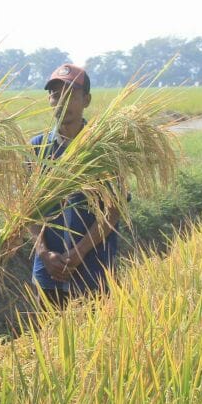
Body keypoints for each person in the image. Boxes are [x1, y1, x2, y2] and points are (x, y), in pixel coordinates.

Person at [31, 64, 124, 305]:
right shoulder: (37, 149)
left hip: (93, 271)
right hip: (48, 273)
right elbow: (24, 211)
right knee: (47, 339)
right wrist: (43, 253)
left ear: (86, 100)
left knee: (97, 340)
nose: (61, 102)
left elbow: (114, 211)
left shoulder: (104, 149)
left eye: (70, 94)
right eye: (55, 94)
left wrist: (80, 251)